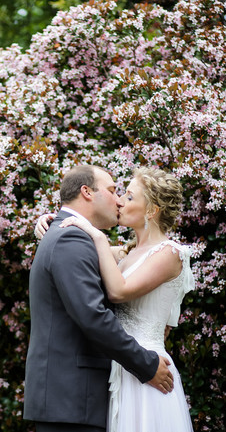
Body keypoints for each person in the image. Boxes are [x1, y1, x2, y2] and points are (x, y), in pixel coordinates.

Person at [34, 166, 195, 432]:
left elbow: (118, 291)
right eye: (117, 193)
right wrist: (52, 220)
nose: (120, 200)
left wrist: (95, 234)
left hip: (146, 366)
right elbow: (72, 246)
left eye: (129, 197)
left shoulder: (169, 253)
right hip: (122, 368)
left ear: (152, 210)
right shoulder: (126, 253)